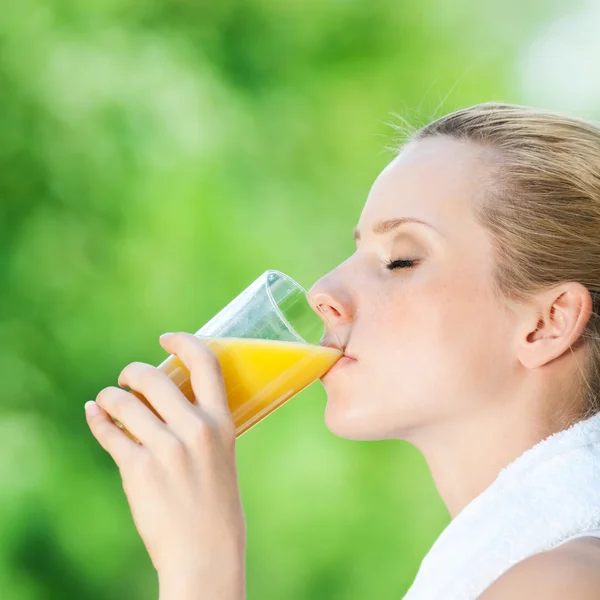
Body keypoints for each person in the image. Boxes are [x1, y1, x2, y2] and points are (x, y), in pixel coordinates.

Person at [85, 102, 600, 599]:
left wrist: (202, 570)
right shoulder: (511, 567)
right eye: (356, 250)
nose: (323, 291)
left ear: (547, 323)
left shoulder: (564, 583)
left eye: (400, 259)